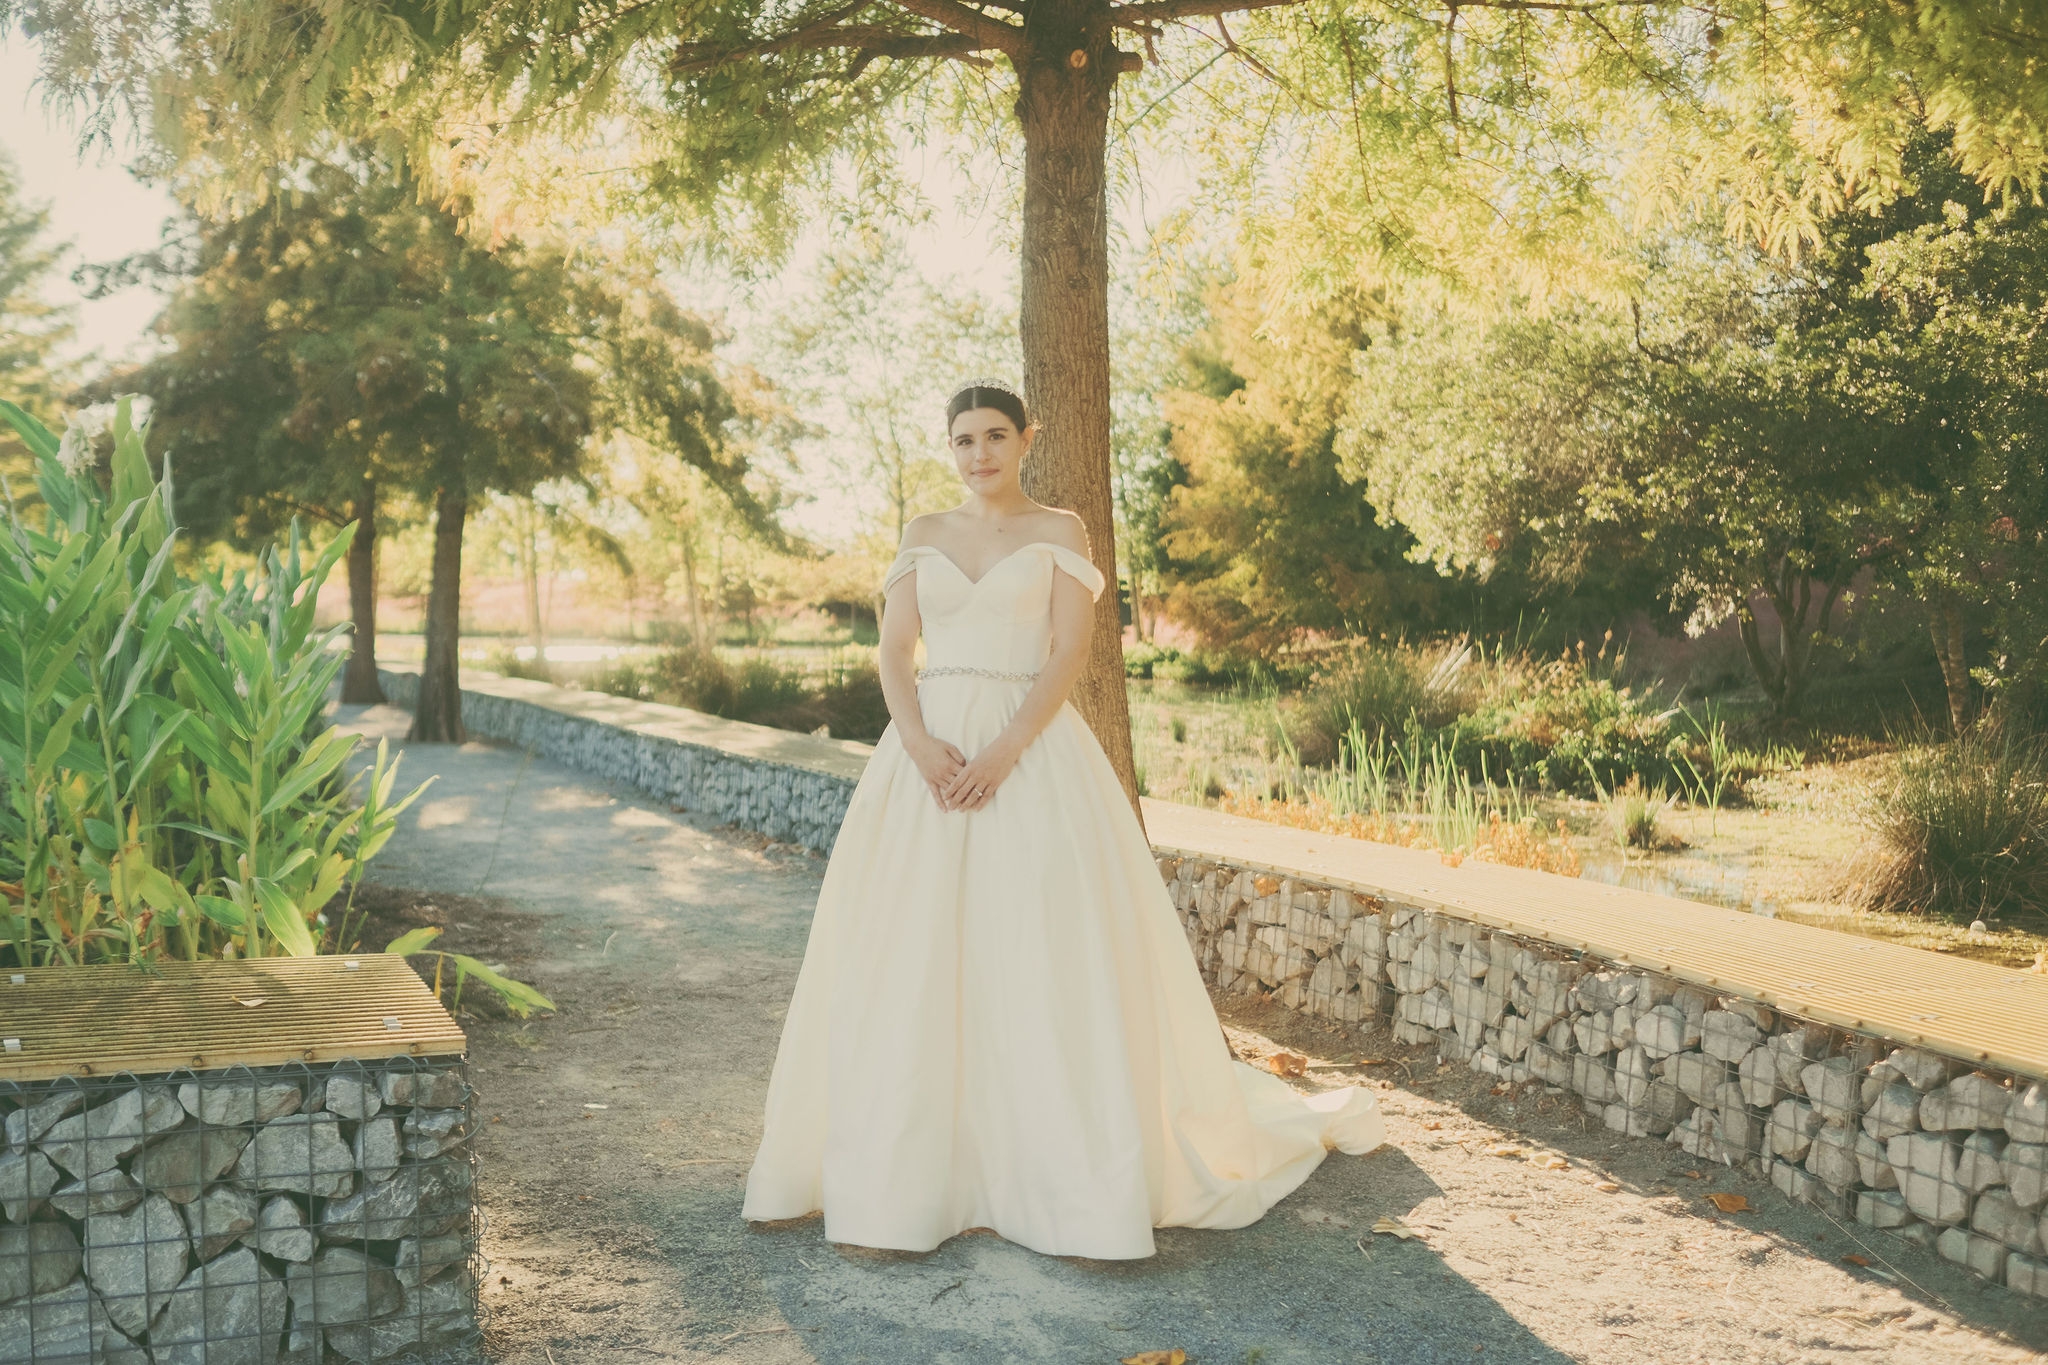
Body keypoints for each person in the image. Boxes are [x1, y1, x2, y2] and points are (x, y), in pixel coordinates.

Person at [741, 378, 1384, 1259]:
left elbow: (1071, 650)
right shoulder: (922, 535)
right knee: (912, 952)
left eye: (995, 436)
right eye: (963, 440)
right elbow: (893, 651)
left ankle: (1056, 1178)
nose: (979, 455)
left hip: (1031, 755)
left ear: (1026, 438)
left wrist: (1005, 750)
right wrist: (920, 743)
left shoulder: (1061, 531)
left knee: (1037, 949)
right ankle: (907, 1176)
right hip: (924, 765)